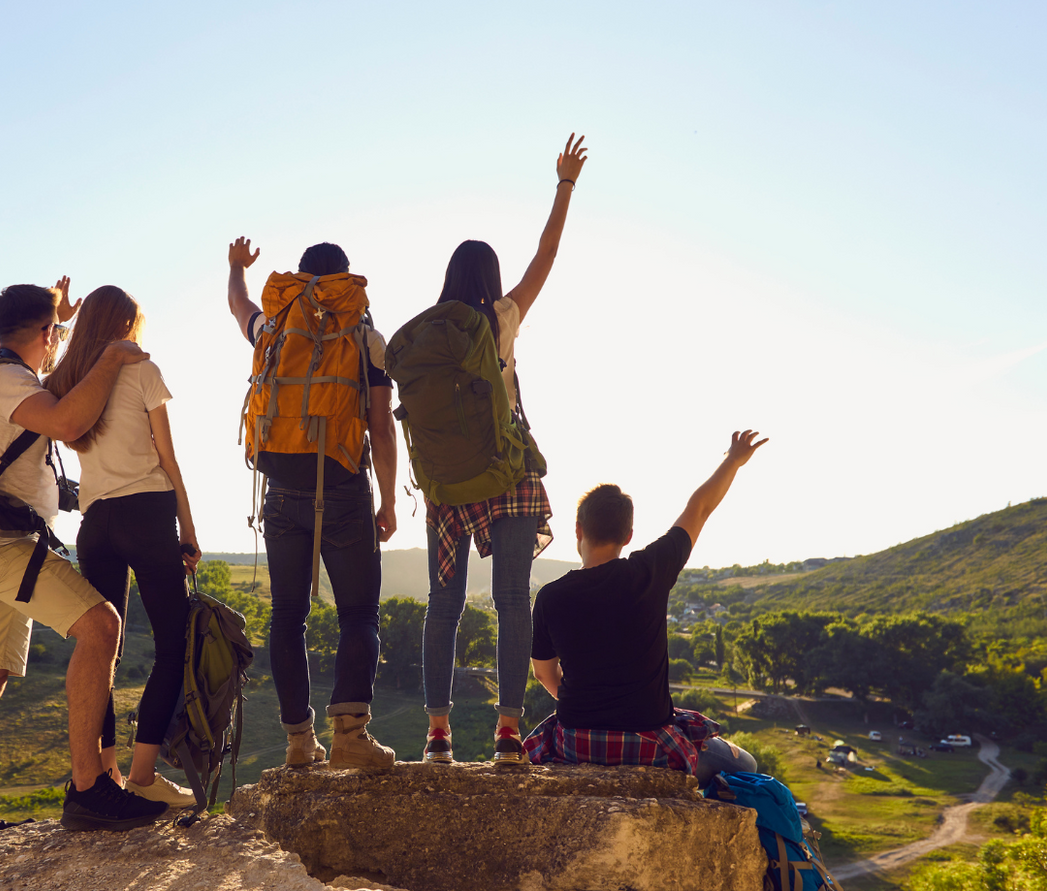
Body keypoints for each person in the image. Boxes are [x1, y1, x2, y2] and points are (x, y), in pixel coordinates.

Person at [0, 279, 169, 837]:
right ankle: (90, 789)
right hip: (4, 548)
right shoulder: (7, 381)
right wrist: (114, 354)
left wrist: (62, 319)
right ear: (40, 333)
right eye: (53, 334)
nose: (57, 342)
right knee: (101, 626)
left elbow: (54, 377)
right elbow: (69, 421)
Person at [421, 134, 587, 766]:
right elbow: (547, 254)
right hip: (507, 475)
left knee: (445, 605)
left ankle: (438, 735)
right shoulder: (503, 318)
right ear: (489, 280)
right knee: (513, 600)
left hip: (445, 483)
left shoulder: (428, 334)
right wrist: (564, 185)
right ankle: (509, 733)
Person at [226, 238, 399, 770]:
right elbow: (379, 421)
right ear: (345, 281)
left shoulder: (275, 328)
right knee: (358, 613)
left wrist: (236, 266)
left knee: (287, 615)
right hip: (344, 488)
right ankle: (350, 735)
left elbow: (240, 307)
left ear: (300, 279)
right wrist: (388, 499)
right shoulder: (365, 336)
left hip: (280, 491)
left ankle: (300, 742)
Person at [523, 431, 770, 781]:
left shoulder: (550, 596)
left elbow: (544, 674)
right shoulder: (649, 571)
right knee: (746, 765)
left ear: (578, 530)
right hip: (651, 744)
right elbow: (698, 508)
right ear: (628, 536)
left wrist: (588, 705)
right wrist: (733, 459)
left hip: (576, 743)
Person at [45, 284, 201, 811]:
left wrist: (61, 320)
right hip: (148, 514)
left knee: (100, 651)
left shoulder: (69, 382)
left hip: (96, 523)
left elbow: (47, 362)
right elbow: (169, 459)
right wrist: (189, 528)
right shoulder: (142, 373)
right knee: (172, 645)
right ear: (126, 326)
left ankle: (105, 773)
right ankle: (143, 774)